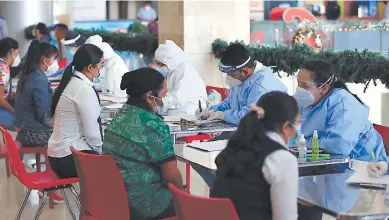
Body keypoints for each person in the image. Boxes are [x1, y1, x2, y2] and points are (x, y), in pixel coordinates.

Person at [103, 67, 182, 220]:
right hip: (144, 203)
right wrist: (184, 195)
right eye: (163, 95)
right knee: (195, 206)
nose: (162, 102)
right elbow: (171, 175)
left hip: (115, 197)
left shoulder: (120, 116)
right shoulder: (153, 124)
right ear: (150, 96)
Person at [211, 91, 300, 220]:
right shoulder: (281, 158)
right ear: (286, 126)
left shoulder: (236, 146)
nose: (298, 128)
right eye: (297, 122)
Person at [295, 59, 389, 163]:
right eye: (298, 83)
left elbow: (339, 145)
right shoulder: (305, 102)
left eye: (304, 85)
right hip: (324, 161)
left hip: (364, 164)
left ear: (324, 88)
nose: (299, 89)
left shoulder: (343, 103)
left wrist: (301, 143)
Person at [48, 44, 104, 179]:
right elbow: (92, 134)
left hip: (59, 155)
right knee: (115, 163)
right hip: (68, 159)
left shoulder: (72, 81)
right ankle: (97, 200)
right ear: (90, 67)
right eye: (101, 65)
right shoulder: (83, 89)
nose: (102, 69)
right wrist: (100, 153)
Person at [197, 43, 288, 125]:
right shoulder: (241, 80)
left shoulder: (261, 86)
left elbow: (249, 117)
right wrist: (211, 111)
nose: (228, 77)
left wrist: (221, 115)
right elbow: (229, 102)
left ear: (245, 71)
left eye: (230, 74)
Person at [15, 40, 58, 147]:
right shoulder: (38, 79)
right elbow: (44, 115)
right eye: (54, 59)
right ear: (46, 61)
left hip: (25, 130)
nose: (55, 62)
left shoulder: (30, 74)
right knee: (70, 136)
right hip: (34, 133)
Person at [153, 40, 207, 115]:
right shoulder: (173, 71)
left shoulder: (185, 71)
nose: (159, 67)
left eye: (161, 64)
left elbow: (178, 100)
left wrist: (157, 101)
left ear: (169, 61)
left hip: (189, 113)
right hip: (176, 113)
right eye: (157, 64)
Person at [0, 37, 19, 128]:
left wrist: (10, 93)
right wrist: (14, 111)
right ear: (12, 51)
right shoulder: (4, 68)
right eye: (17, 53)